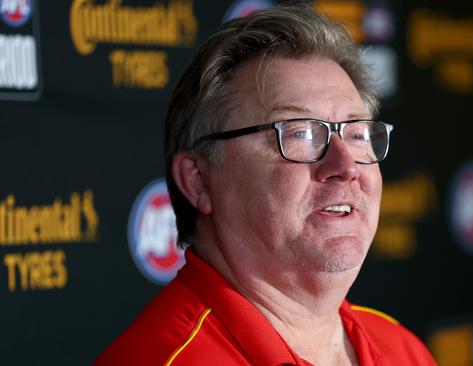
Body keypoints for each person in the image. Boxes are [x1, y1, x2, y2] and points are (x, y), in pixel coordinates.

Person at [96, 4, 436, 366]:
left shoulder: (402, 350)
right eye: (299, 133)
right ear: (197, 181)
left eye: (356, 133)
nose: (346, 166)